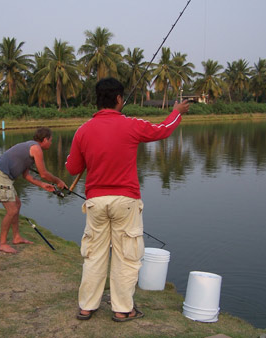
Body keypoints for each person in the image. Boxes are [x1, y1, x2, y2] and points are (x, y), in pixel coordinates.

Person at [65, 77, 189, 322]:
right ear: (119, 99)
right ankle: (122, 309)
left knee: (94, 255)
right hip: (126, 201)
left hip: (95, 203)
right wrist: (176, 112)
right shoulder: (131, 125)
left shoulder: (83, 130)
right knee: (126, 256)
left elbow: (71, 168)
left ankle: (86, 307)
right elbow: (162, 131)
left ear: (98, 100)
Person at [0, 127, 67, 254]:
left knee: (17, 204)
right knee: (12, 210)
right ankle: (2, 243)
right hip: (1, 175)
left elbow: (26, 176)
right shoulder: (36, 149)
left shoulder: (31, 148)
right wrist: (58, 181)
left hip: (5, 177)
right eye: (51, 140)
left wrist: (42, 185)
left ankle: (16, 237)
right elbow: (43, 173)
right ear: (45, 139)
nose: (51, 143)